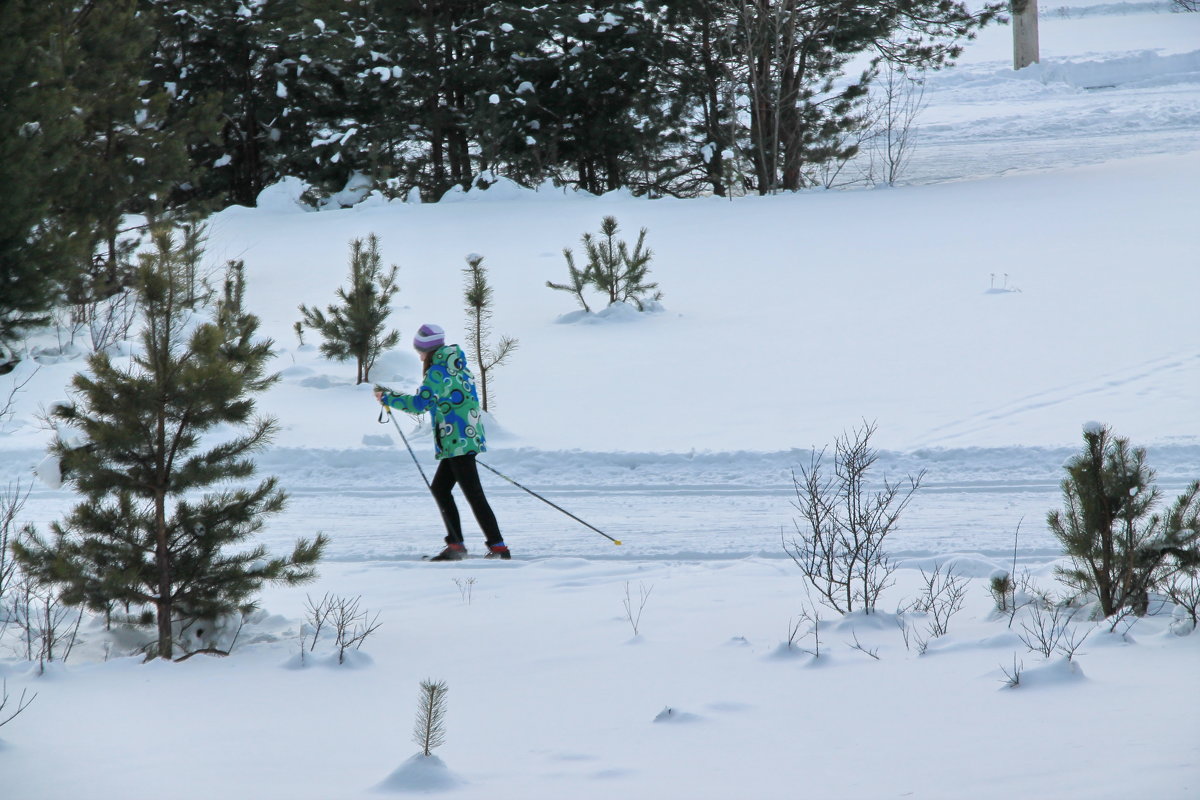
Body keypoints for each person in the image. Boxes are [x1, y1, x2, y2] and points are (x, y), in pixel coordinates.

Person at [375, 323, 510, 561]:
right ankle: (457, 545)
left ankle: (497, 547)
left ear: (429, 349)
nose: (419, 357)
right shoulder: (458, 366)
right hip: (464, 438)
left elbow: (420, 404)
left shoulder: (438, 372)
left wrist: (388, 398)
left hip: (456, 441)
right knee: (441, 488)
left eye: (420, 351)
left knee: (473, 494)